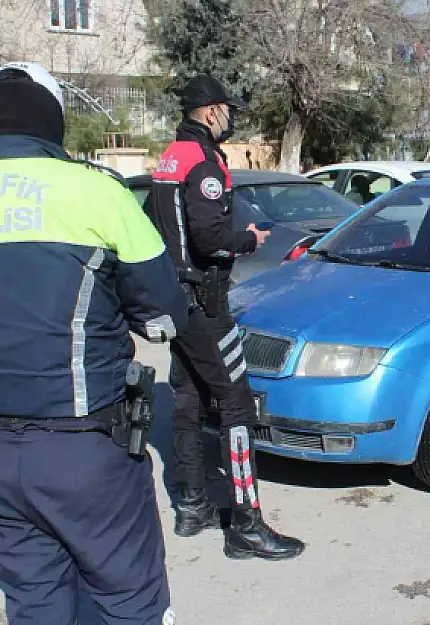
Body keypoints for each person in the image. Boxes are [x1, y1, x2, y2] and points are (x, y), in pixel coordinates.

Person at [0, 62, 188, 624]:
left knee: (34, 603)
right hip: (85, 445)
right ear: (52, 129)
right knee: (129, 602)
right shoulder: (98, 193)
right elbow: (164, 316)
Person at [144, 74, 304, 560]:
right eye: (228, 110)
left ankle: (192, 506)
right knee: (237, 406)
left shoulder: (171, 156)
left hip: (177, 298)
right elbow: (212, 238)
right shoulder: (203, 161)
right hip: (205, 303)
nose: (232, 118)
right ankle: (247, 526)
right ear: (212, 112)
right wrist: (249, 241)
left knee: (188, 399)